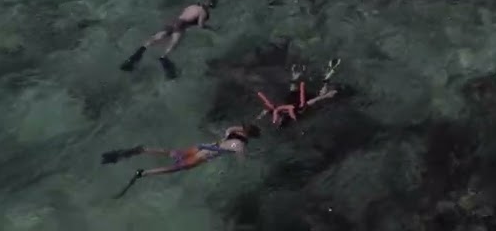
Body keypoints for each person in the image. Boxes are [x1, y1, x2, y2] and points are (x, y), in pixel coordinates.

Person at [102, 124, 260, 198]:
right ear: (251, 137)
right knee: (174, 168)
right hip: (203, 157)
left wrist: (243, 128)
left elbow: (230, 129)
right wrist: (247, 161)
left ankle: (143, 150)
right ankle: (142, 173)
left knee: (173, 153)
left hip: (202, 147)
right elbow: (242, 163)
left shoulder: (233, 131)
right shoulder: (239, 146)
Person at [120, 0, 217, 79]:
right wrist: (210, 28)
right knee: (173, 44)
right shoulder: (203, 12)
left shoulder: (192, 6)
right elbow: (200, 25)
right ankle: (164, 59)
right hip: (181, 25)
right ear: (211, 6)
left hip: (173, 21)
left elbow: (184, 13)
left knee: (157, 37)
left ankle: (135, 57)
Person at [256, 59, 341, 127]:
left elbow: (267, 110)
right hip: (302, 100)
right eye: (277, 120)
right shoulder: (291, 114)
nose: (275, 119)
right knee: (320, 94)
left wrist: (260, 117)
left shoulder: (279, 113)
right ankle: (329, 74)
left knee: (299, 93)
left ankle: (326, 76)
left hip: (296, 98)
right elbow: (308, 103)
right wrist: (325, 96)